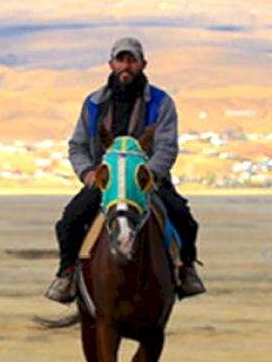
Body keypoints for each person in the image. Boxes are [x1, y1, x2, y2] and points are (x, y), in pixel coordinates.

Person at [45, 37, 204, 303]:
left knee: (184, 219)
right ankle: (67, 275)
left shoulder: (161, 102)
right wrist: (87, 173)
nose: (126, 66)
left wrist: (147, 175)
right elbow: (78, 145)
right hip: (106, 183)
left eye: (131, 60)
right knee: (69, 220)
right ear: (111, 64)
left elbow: (166, 147)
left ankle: (186, 270)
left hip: (148, 182)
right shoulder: (94, 104)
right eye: (121, 60)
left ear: (143, 64)